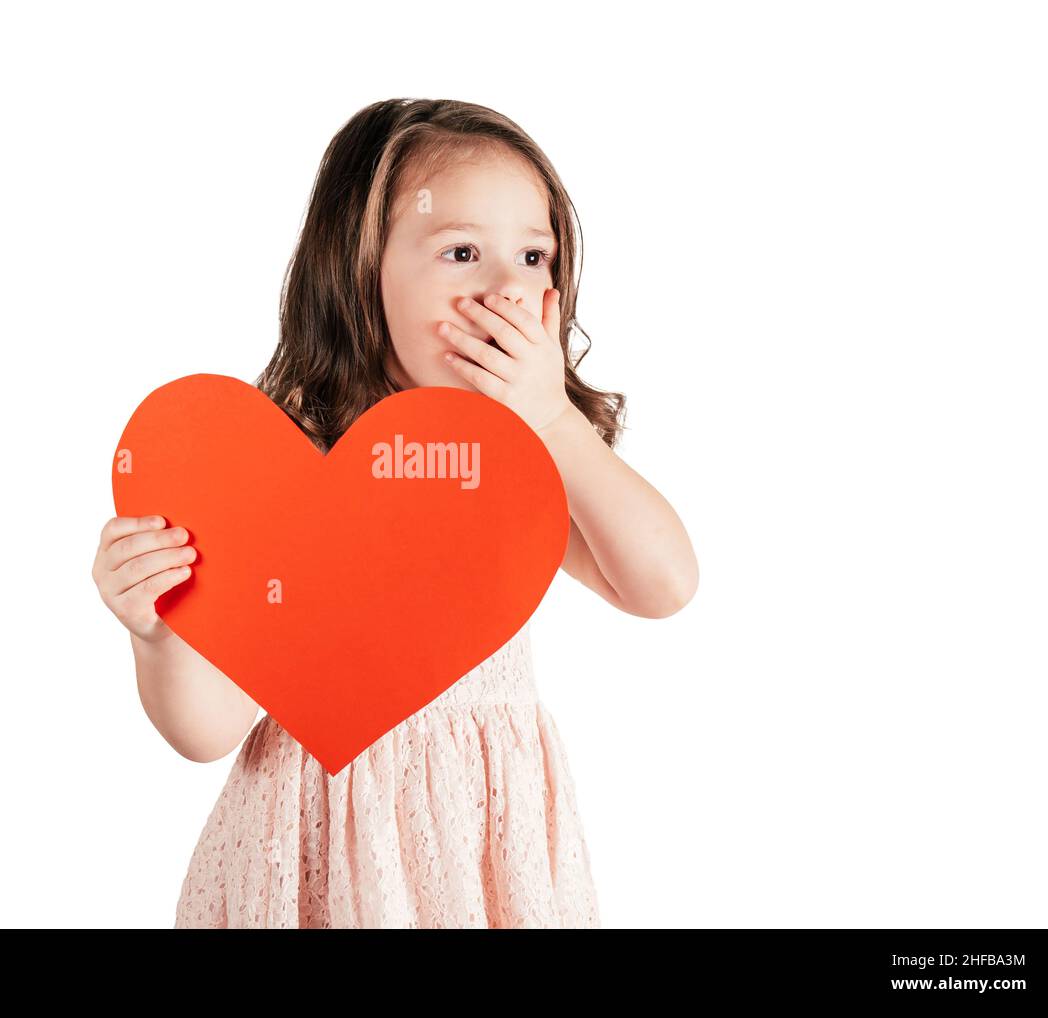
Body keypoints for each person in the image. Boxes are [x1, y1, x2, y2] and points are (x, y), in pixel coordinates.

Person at [91, 98, 699, 928]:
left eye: (533, 254)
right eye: (461, 252)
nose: (507, 288)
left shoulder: (517, 462)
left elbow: (661, 584)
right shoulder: (280, 463)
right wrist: (157, 632)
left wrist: (554, 419)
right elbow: (207, 730)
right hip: (313, 855)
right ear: (358, 267)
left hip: (480, 855)